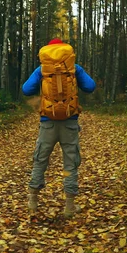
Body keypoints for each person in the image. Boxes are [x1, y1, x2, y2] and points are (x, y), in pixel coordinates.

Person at [22, 38, 96, 217]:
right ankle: (69, 206)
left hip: (48, 121)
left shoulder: (43, 69)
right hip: (70, 121)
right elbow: (90, 87)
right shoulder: (73, 68)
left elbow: (26, 89)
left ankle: (33, 201)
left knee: (40, 159)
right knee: (70, 162)